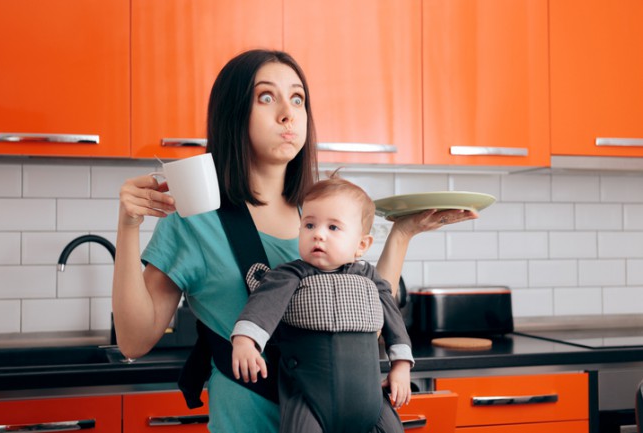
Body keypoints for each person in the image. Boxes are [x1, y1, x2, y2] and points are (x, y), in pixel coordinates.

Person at [112, 48, 478, 433]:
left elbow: (358, 326)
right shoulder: (195, 219)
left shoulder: (319, 213)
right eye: (266, 97)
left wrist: (402, 234)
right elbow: (134, 342)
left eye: (298, 98)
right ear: (233, 113)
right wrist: (128, 226)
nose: (288, 113)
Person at [231, 176, 413, 433]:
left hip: (371, 402)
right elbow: (263, 306)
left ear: (362, 244)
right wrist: (245, 341)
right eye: (309, 225)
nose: (318, 234)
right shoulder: (290, 274)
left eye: (333, 228)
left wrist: (401, 366)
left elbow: (395, 323)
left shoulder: (371, 279)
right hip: (308, 399)